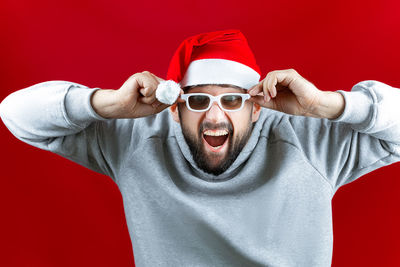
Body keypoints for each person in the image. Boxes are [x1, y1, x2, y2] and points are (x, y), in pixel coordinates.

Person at [1, 29, 399, 267]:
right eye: (197, 102)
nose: (213, 118)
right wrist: (107, 104)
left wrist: (329, 105)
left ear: (256, 107)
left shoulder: (308, 139)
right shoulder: (139, 137)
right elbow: (15, 114)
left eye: (231, 101)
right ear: (174, 110)